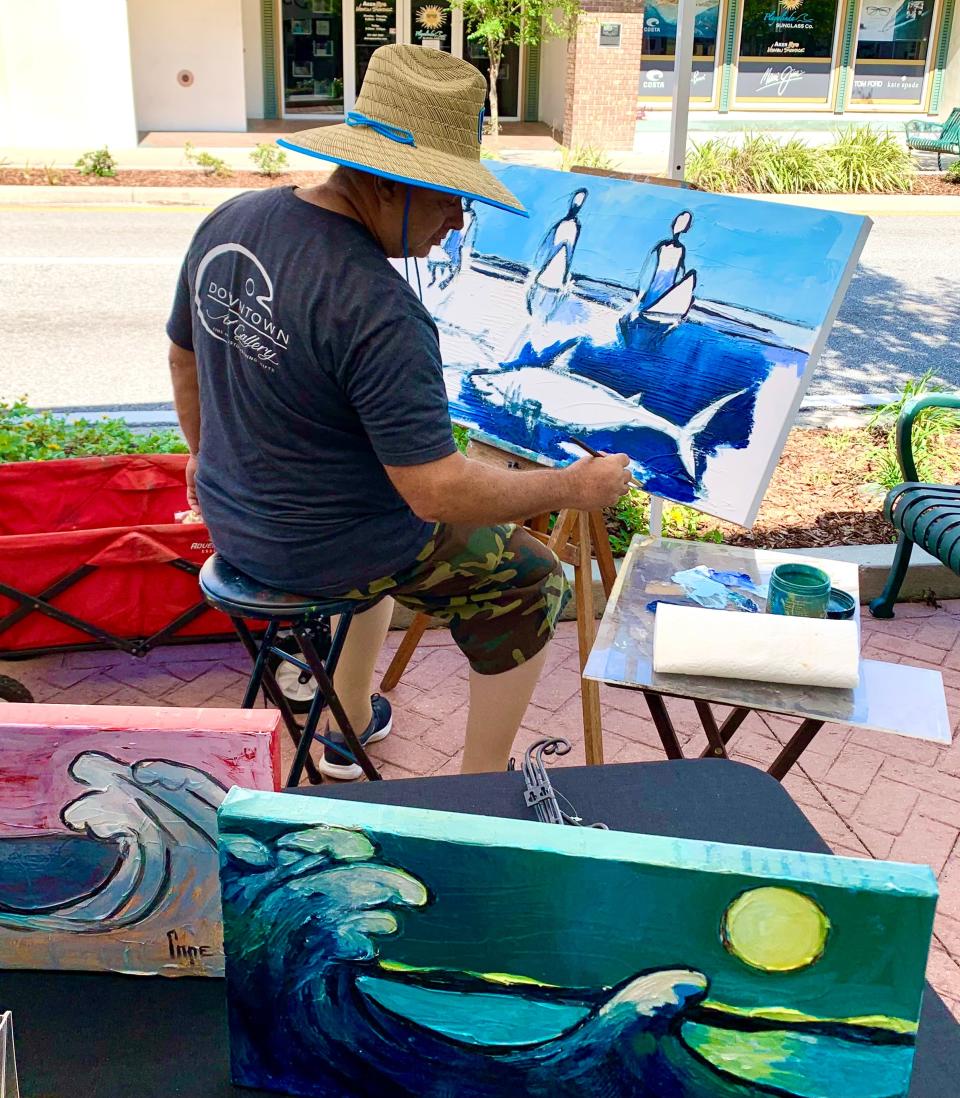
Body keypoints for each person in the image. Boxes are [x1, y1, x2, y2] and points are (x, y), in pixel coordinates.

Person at [166, 44, 629, 780]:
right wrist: (574, 488)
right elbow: (437, 491)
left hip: (233, 521)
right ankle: (480, 785)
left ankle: (345, 729)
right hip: (321, 551)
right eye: (451, 197)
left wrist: (203, 455)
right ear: (391, 183)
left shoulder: (236, 219)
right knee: (534, 576)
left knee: (393, 522)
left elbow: (183, 357)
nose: (457, 222)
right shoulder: (379, 307)